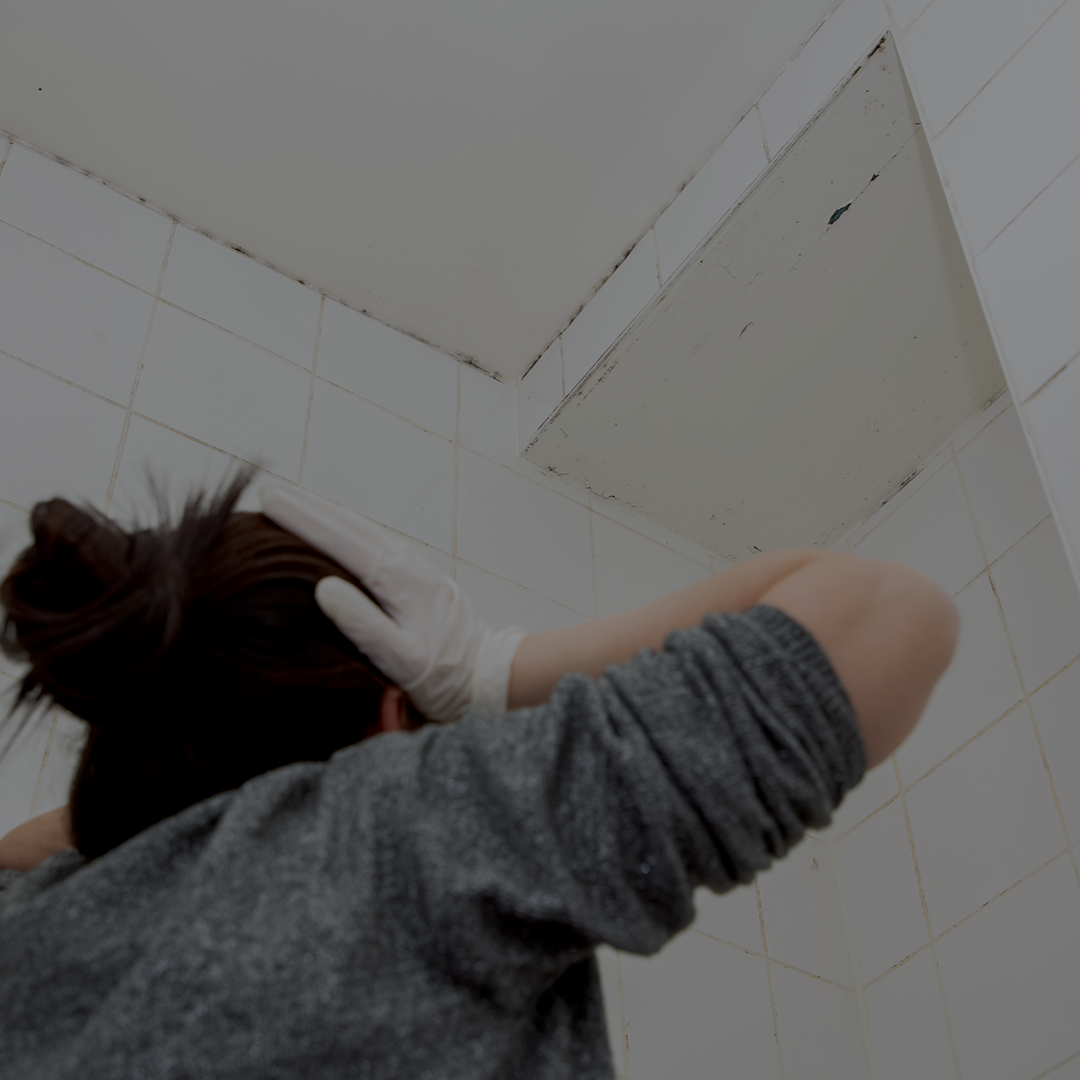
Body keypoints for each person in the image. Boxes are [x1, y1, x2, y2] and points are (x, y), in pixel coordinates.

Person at [0, 476, 959, 1079]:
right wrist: (492, 673)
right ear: (390, 726)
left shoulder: (33, 922)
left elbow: (37, 849)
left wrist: (157, 792)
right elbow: (885, 612)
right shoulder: (382, 850)